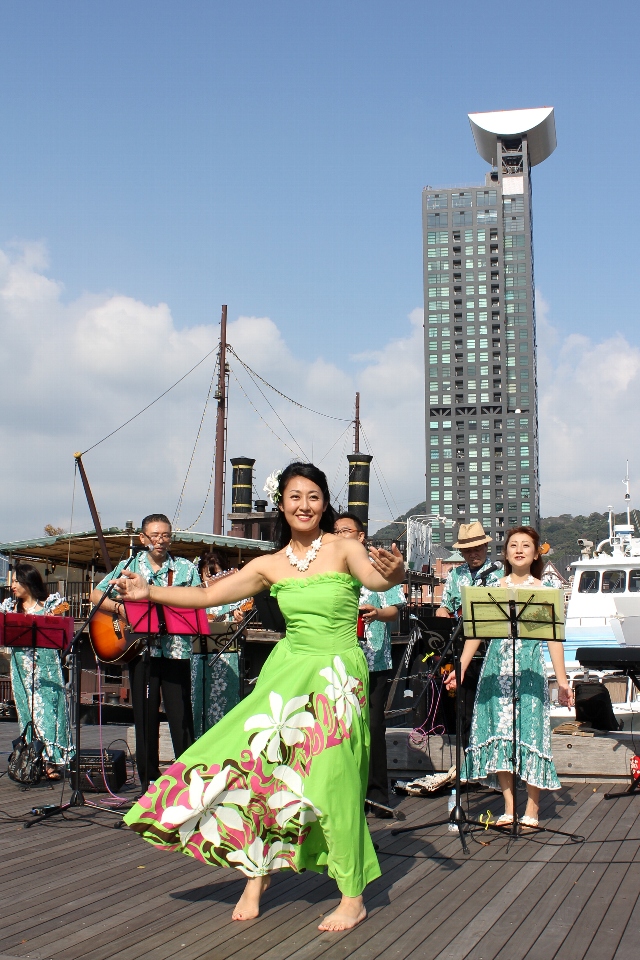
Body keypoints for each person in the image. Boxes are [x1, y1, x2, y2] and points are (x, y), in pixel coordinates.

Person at [114, 462, 404, 932]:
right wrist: (148, 591)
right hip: (287, 676)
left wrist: (395, 573)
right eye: (294, 497)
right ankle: (258, 872)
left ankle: (352, 895)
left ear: (324, 502)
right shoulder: (270, 564)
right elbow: (209, 596)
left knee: (334, 781)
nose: (304, 505)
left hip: (336, 678)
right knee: (262, 769)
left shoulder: (345, 547)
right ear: (282, 504)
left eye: (312, 496)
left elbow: (377, 583)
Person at [445, 526, 573, 830]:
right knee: (499, 731)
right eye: (513, 545)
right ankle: (509, 807)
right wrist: (460, 668)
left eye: (525, 545)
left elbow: (553, 640)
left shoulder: (544, 591)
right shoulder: (493, 588)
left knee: (530, 734)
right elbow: (476, 631)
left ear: (535, 552)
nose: (518, 550)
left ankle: (532, 806)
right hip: (496, 669)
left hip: (528, 670)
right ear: (506, 552)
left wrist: (564, 681)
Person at [90, 514, 200, 792]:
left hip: (176, 651)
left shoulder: (186, 569)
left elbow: (201, 601)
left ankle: (187, 780)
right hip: (141, 651)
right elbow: (96, 594)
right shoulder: (129, 566)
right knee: (144, 717)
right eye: (155, 535)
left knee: (181, 716)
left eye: (166, 535)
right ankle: (148, 781)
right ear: (142, 539)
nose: (160, 541)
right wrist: (121, 610)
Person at [333, 513, 405, 814]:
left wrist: (376, 612)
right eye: (335, 531)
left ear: (361, 536)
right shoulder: (332, 569)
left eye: (345, 531)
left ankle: (377, 794)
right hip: (340, 661)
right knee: (341, 727)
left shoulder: (378, 566)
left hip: (374, 658)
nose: (339, 535)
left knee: (374, 726)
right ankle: (346, 794)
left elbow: (396, 610)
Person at [1, 563, 73, 778]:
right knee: (27, 714)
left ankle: (53, 760)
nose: (12, 585)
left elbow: (62, 631)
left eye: (16, 581)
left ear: (28, 582)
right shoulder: (10, 609)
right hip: (21, 669)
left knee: (48, 713)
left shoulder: (49, 606)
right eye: (12, 581)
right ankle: (35, 758)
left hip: (45, 669)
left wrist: (53, 618)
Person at [436, 521, 502, 743]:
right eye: (467, 550)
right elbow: (445, 604)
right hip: (462, 647)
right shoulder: (455, 575)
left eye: (477, 548)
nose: (473, 554)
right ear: (461, 552)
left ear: (485, 547)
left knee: (491, 707)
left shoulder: (499, 574)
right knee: (463, 709)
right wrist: (442, 613)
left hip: (492, 651)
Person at [191, 550, 249, 737]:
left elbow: (244, 633)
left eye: (217, 574)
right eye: (208, 575)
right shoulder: (192, 594)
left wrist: (240, 619)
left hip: (225, 655)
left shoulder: (235, 597)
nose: (213, 580)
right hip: (198, 655)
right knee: (196, 701)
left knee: (225, 702)